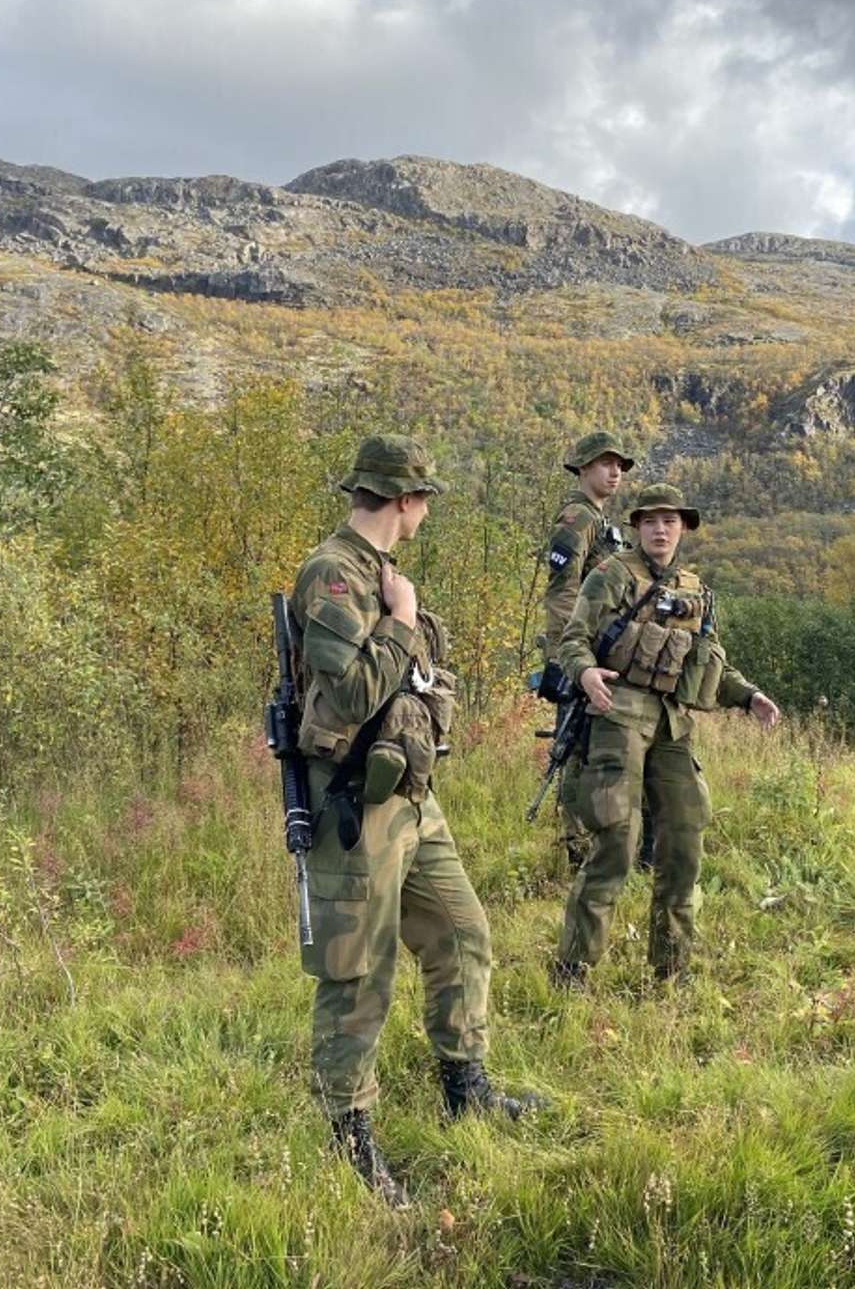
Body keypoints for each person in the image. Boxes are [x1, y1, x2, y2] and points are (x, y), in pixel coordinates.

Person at [290, 434, 540, 1209]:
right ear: (401, 500)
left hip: (412, 801)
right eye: (424, 496)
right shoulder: (334, 574)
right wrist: (400, 620)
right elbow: (353, 697)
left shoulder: (380, 574)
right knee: (358, 975)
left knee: (463, 932)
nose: (427, 508)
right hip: (354, 807)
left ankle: (466, 1088)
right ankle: (349, 1136)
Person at [554, 483, 780, 986]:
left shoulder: (695, 590)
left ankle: (672, 971)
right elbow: (573, 641)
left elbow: (710, 663)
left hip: (674, 724)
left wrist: (749, 697)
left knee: (684, 841)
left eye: (671, 521)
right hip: (617, 715)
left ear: (683, 528)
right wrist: (586, 673)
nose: (661, 529)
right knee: (616, 841)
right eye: (652, 520)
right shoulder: (612, 576)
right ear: (637, 527)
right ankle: (573, 969)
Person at [536, 431, 646, 870]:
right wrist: (569, 659)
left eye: (619, 464)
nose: (615, 471)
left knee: (599, 747)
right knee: (576, 748)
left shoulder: (600, 521)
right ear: (582, 469)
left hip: (601, 654)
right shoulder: (577, 519)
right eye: (605, 463)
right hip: (580, 656)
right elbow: (561, 594)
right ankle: (575, 848)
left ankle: (600, 842)